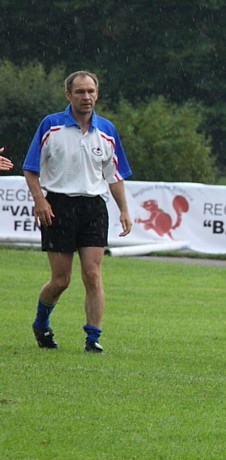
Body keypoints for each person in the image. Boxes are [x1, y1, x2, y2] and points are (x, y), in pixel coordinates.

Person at [22, 70, 132, 352]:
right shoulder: (51, 125)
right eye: (80, 92)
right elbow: (31, 168)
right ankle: (41, 324)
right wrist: (40, 201)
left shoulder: (106, 129)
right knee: (61, 280)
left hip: (94, 206)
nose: (86, 97)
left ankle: (92, 338)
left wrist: (123, 210)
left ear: (97, 93)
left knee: (93, 274)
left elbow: (114, 175)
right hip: (58, 205)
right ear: (68, 95)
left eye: (91, 91)